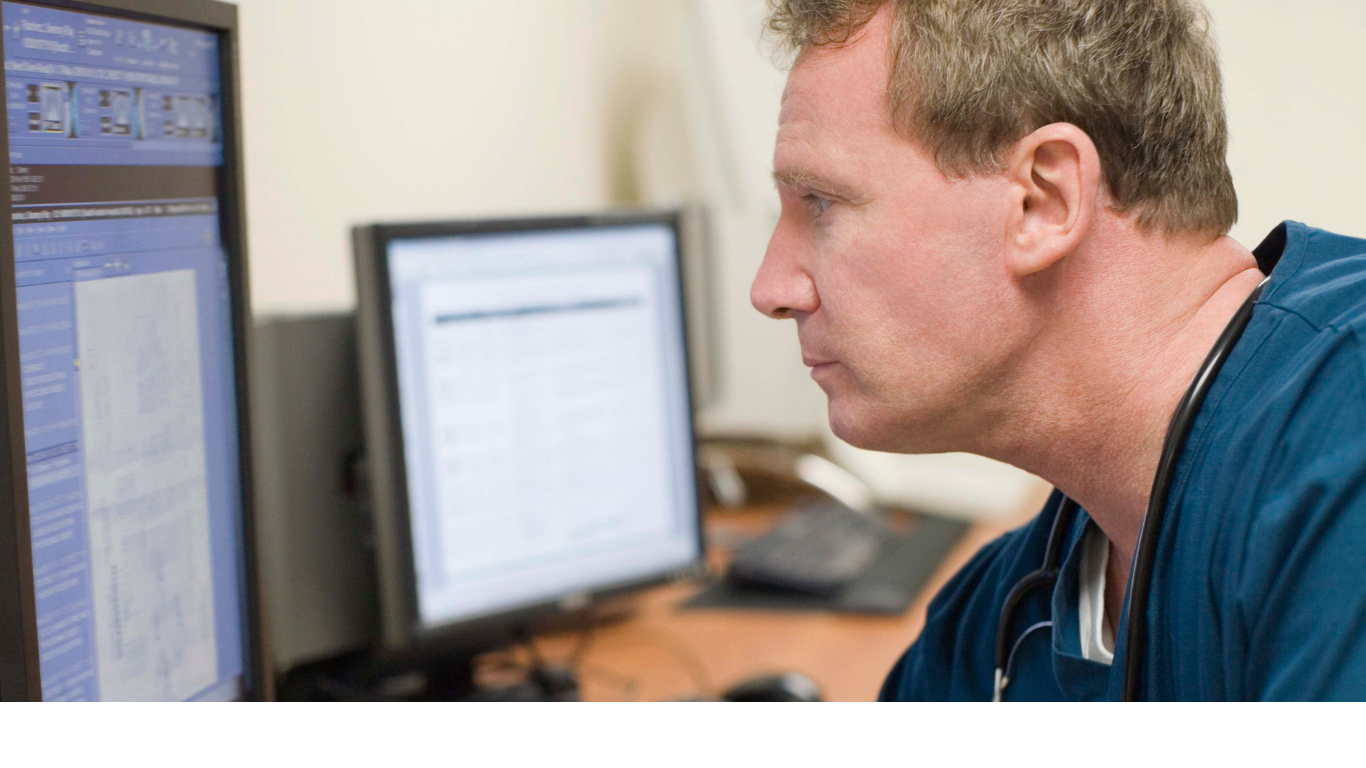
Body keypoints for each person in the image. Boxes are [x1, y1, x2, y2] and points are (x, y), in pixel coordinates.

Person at [752, 0, 1366, 702]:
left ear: (1043, 200)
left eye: (820, 203)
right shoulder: (996, 624)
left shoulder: (1345, 438)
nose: (771, 290)